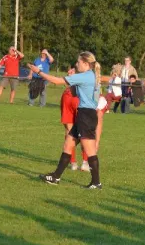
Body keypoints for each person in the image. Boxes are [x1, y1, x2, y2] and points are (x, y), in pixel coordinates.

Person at [31, 52, 103, 189]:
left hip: (85, 116)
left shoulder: (85, 76)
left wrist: (38, 71)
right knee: (68, 145)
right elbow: (77, 93)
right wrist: (72, 81)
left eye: (78, 62)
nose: (76, 64)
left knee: (90, 150)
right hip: (86, 115)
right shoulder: (92, 75)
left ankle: (96, 182)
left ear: (86, 64)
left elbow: (57, 81)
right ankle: (55, 177)